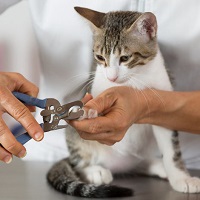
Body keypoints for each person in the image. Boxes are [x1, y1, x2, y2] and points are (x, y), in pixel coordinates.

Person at [0, 0, 200, 167]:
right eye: (100, 58)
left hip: (188, 159)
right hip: (58, 153)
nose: (111, 75)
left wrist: (149, 106)